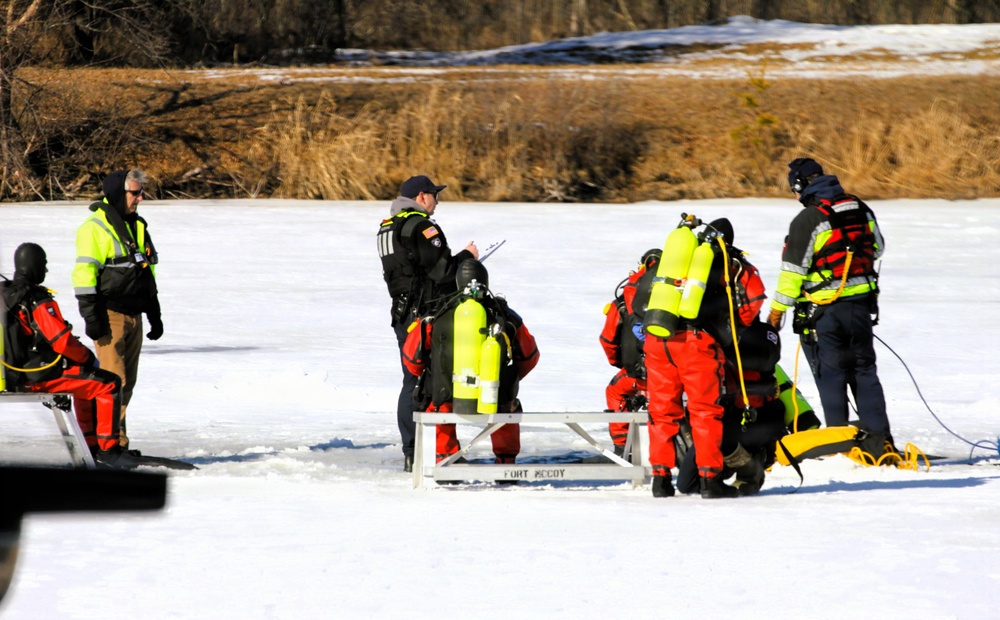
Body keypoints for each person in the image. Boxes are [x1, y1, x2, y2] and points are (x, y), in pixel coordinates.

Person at [766, 158, 893, 454]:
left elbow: (792, 273)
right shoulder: (859, 207)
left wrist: (775, 313)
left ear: (799, 187)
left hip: (825, 311)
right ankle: (880, 442)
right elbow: (878, 247)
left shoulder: (809, 218)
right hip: (860, 306)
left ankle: (842, 446)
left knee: (831, 374)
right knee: (864, 371)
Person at [639, 217, 767, 499]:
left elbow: (637, 292)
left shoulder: (675, 254)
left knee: (661, 412)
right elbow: (754, 300)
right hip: (696, 343)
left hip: (658, 339)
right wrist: (730, 327)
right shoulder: (729, 263)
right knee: (705, 411)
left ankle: (660, 480)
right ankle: (710, 480)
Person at [2, 243, 140, 468]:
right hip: (37, 376)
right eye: (44, 264)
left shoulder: (3, 295)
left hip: (9, 375)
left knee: (86, 382)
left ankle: (91, 446)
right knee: (108, 383)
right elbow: (62, 341)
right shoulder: (36, 298)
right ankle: (109, 450)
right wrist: (87, 358)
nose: (45, 271)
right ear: (34, 265)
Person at [378, 175, 478, 472]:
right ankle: (441, 453)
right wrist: (467, 258)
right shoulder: (422, 226)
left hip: (401, 314)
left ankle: (412, 452)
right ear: (422, 197)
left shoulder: (387, 226)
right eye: (435, 195)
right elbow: (442, 271)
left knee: (412, 379)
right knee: (438, 381)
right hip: (426, 314)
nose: (437, 201)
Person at [402, 260, 538, 465]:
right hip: (494, 395)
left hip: (446, 397)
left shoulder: (436, 315)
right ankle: (506, 461)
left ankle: (446, 458)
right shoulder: (505, 316)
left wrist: (437, 373)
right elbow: (530, 356)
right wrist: (507, 377)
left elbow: (412, 360)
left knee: (435, 403)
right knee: (507, 404)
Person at [72, 169, 162, 453]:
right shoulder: (94, 228)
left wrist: (154, 312)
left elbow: (147, 273)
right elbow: (83, 275)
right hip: (109, 315)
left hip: (133, 315)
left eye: (140, 192)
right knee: (113, 383)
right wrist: (92, 317)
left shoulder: (137, 226)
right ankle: (106, 446)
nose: (140, 198)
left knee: (128, 384)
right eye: (135, 193)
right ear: (117, 194)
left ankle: (117, 443)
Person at [598, 249, 659, 457]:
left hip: (638, 375)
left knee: (615, 391)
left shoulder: (623, 305)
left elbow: (608, 341)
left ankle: (623, 448)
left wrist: (621, 363)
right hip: (677, 373)